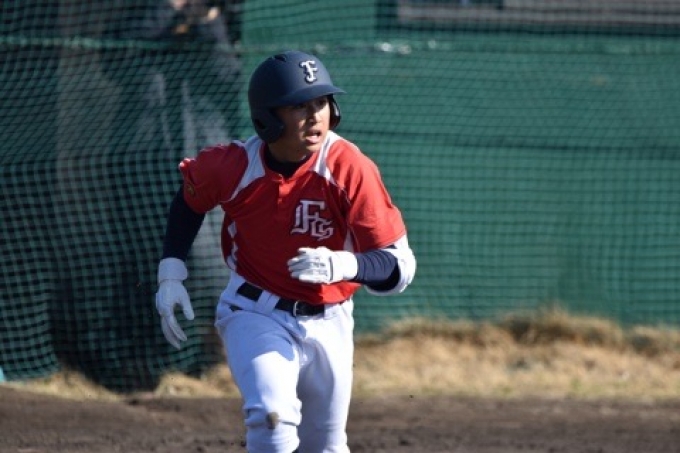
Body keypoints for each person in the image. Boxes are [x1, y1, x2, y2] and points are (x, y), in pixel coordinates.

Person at [154, 50, 417, 452]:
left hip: (330, 321)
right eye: (299, 106)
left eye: (321, 102)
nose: (315, 116)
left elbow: (399, 266)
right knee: (271, 417)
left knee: (325, 447)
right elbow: (189, 201)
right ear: (267, 119)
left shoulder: (349, 167)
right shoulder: (233, 165)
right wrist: (171, 273)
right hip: (255, 312)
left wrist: (343, 264)